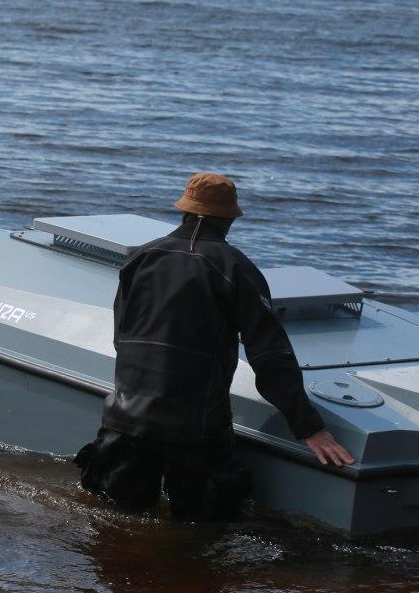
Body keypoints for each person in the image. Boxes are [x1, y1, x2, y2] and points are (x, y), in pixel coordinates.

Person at [76, 172, 353, 521]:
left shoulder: (139, 259)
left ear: (184, 211)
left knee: (117, 526)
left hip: (126, 420)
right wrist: (309, 427)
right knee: (200, 533)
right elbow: (270, 357)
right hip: (195, 430)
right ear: (229, 220)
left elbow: (122, 337)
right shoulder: (236, 268)